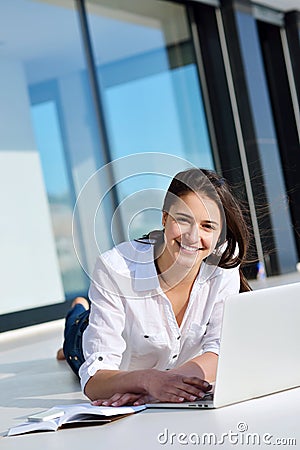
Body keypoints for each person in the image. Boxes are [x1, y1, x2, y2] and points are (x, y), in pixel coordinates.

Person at [57, 168, 251, 407]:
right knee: (76, 337)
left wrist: (163, 385)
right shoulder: (114, 268)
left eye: (207, 226)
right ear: (164, 218)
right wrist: (148, 380)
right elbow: (95, 378)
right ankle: (77, 310)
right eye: (183, 219)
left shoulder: (222, 266)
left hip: (159, 375)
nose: (193, 236)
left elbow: (221, 350)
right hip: (96, 351)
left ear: (220, 234)